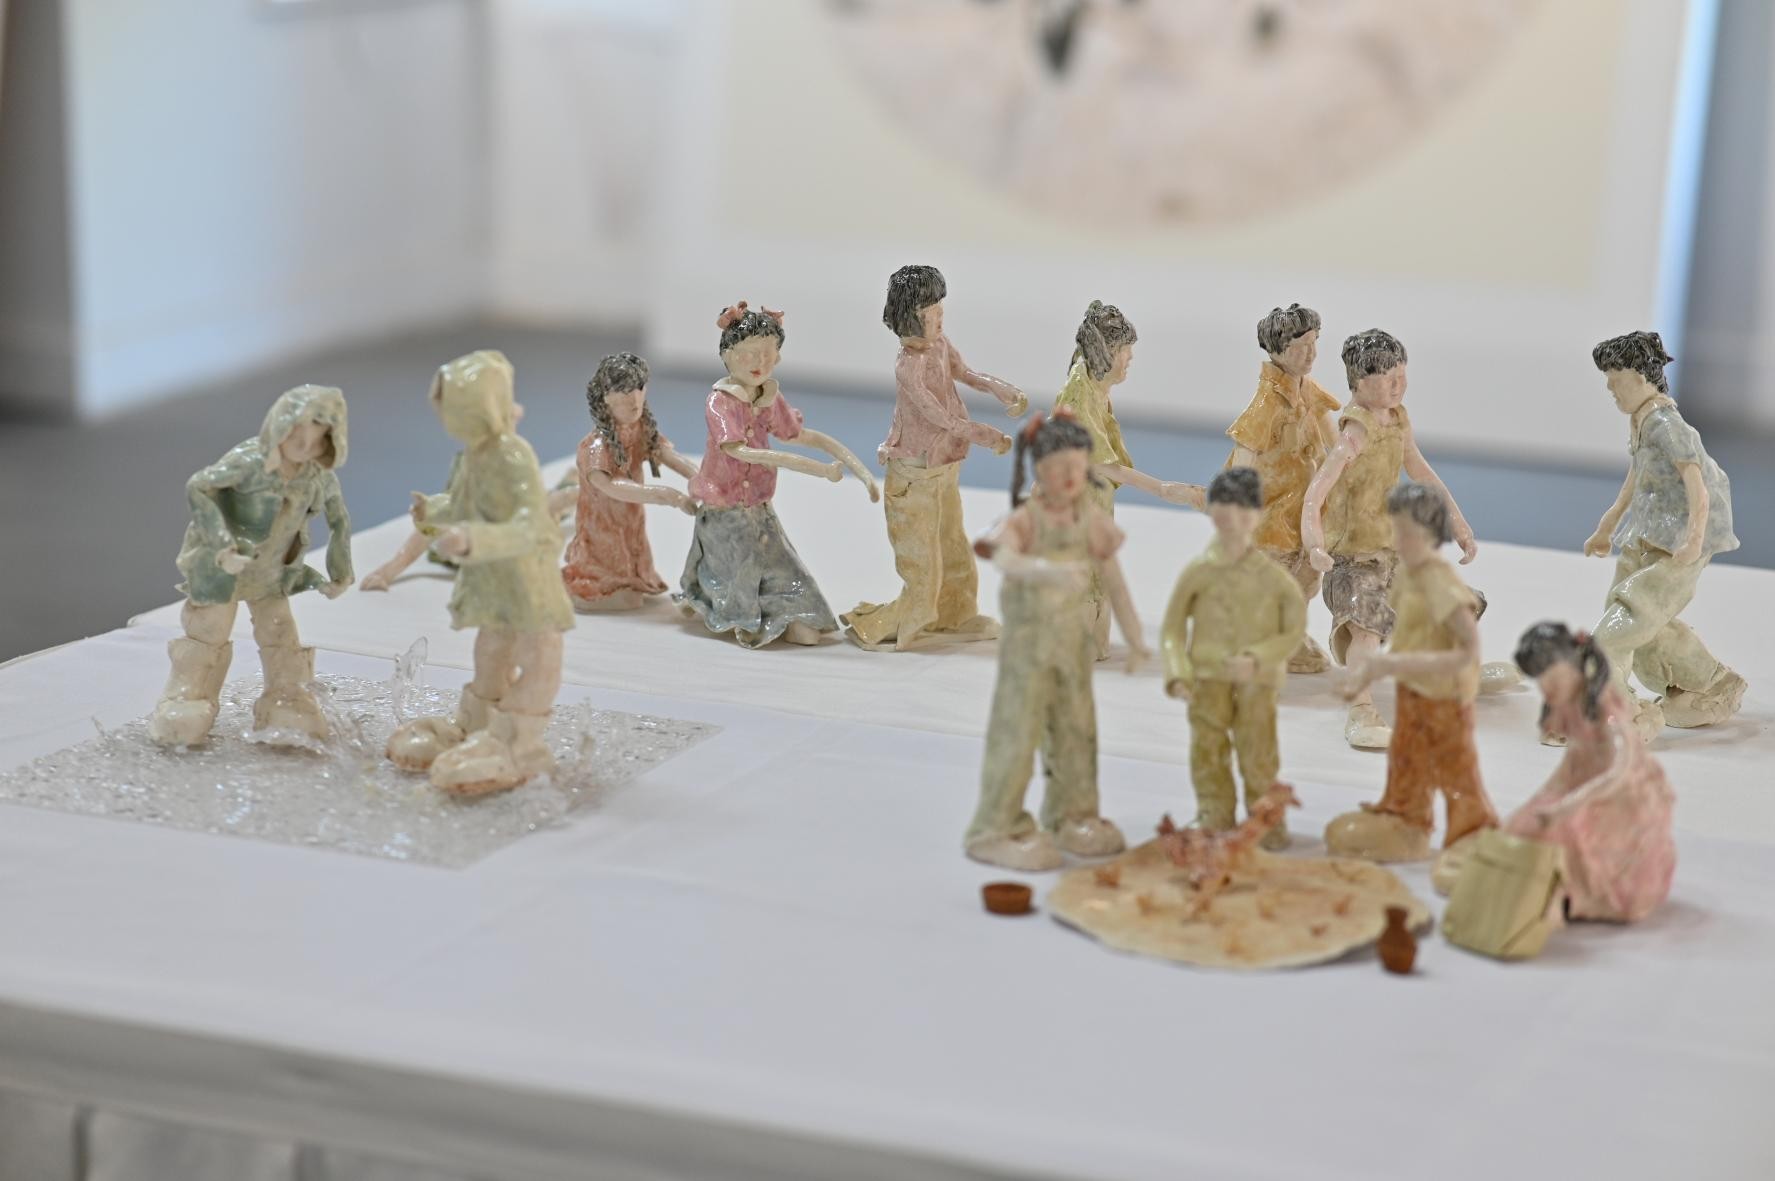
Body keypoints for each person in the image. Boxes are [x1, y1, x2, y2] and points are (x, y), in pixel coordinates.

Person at [385, 350, 575, 796]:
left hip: (526, 580)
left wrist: (473, 539)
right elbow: (467, 503)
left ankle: (518, 743)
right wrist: (434, 512)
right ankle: (477, 726)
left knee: (539, 654)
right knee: (491, 650)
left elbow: (531, 524)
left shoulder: (512, 455)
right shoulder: (477, 454)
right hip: (495, 579)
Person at [966, 412, 1150, 871]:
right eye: (1059, 467)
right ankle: (994, 827)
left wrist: (1134, 637)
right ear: (1039, 468)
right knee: (1017, 732)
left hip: (1072, 648)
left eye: (1078, 466)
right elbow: (1002, 556)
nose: (1070, 477)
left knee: (1076, 731)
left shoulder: (1088, 518)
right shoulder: (1025, 519)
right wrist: (1045, 570)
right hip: (1028, 651)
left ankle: (1073, 816)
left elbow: (1114, 578)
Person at [1300, 329, 1478, 749]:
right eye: (1387, 377)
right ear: (1360, 382)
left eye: (1402, 374)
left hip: (1393, 548)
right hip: (1353, 556)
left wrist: (1458, 523)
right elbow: (1315, 494)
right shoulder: (1354, 434)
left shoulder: (1398, 420)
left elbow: (1422, 471)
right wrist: (1315, 546)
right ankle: (1361, 708)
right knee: (1365, 627)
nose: (1398, 384)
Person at [150, 384, 353, 747]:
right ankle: (187, 695)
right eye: (297, 435)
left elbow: (339, 519)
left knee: (279, 631)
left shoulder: (317, 476)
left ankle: (287, 696)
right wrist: (221, 545)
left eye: (318, 440)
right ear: (280, 426)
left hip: (272, 573)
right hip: (225, 569)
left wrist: (340, 571)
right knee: (208, 629)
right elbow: (199, 486)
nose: (305, 447)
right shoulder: (249, 462)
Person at [1440, 622, 1675, 921]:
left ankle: (1569, 894)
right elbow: (1571, 766)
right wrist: (1543, 802)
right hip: (1580, 784)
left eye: (1550, 680)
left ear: (1570, 666)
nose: (1545, 690)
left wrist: (1567, 806)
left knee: (1563, 840)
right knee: (1523, 824)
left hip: (1617, 798)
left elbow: (1618, 771)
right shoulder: (1567, 703)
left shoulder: (1606, 711)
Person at [843, 265, 1025, 650]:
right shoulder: (908, 367)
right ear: (910, 317)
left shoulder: (940, 345)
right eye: (931, 311)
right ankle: (896, 623)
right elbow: (940, 418)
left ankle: (956, 614)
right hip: (913, 471)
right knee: (921, 560)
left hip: (943, 464)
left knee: (952, 543)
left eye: (940, 308)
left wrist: (1000, 389)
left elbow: (965, 373)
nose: (940, 316)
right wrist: (986, 436)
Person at [677, 301, 879, 648]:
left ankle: (797, 616)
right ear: (727, 356)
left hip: (758, 507)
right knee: (743, 571)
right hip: (724, 509)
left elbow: (800, 435)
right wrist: (817, 470)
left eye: (768, 354)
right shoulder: (720, 403)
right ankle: (750, 618)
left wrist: (859, 470)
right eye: (749, 354)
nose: (760, 362)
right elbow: (742, 452)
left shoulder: (768, 397)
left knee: (783, 565)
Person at [1325, 483, 1499, 866]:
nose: (1396, 540)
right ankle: (1405, 820)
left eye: (1405, 532)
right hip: (1413, 690)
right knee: (1405, 757)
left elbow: (1466, 650)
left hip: (1444, 695)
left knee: (1454, 769)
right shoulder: (1406, 576)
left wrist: (1397, 666)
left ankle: (1472, 835)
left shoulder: (1439, 583)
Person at [1583, 330, 1743, 737]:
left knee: (1620, 627)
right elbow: (1638, 477)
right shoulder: (1641, 421)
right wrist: (1608, 525)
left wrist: (1693, 539)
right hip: (1648, 532)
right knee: (1635, 618)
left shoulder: (1667, 426)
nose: (1611, 391)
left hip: (1677, 541)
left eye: (1615, 382)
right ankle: (1709, 682)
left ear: (1640, 378)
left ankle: (1620, 708)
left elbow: (1697, 485)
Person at [1160, 467, 1306, 849]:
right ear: (1212, 513)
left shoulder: (1273, 579)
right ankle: (1214, 811)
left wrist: (1259, 658)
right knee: (1207, 747)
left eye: (1244, 512)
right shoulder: (1199, 572)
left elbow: (1292, 631)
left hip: (1258, 680)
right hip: (1207, 678)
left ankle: (1265, 818)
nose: (1234, 521)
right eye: (1224, 511)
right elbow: (1172, 629)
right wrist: (1178, 673)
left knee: (1258, 748)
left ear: (1257, 515)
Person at [1054, 299, 1204, 658]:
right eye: (1125, 350)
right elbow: (1101, 463)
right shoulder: (1079, 394)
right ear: (1107, 351)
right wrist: (1164, 489)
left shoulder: (1095, 388)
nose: (1130, 357)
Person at [1224, 302, 1341, 673]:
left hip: (1307, 509)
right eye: (1301, 346)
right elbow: (1244, 457)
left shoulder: (1310, 391)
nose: (1311, 353)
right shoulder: (1267, 404)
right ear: (1278, 349)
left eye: (1314, 343)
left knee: (1306, 579)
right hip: (1272, 513)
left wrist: (1348, 469)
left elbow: (1334, 443)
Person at [562, 352, 700, 611]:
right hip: (603, 520)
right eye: (625, 392)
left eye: (640, 388)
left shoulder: (639, 427)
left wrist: (700, 477)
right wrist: (667, 496)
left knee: (632, 551)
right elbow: (609, 486)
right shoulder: (595, 446)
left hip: (631, 515)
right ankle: (602, 588)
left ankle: (631, 582)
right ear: (605, 396)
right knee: (610, 558)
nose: (635, 399)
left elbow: (664, 453)